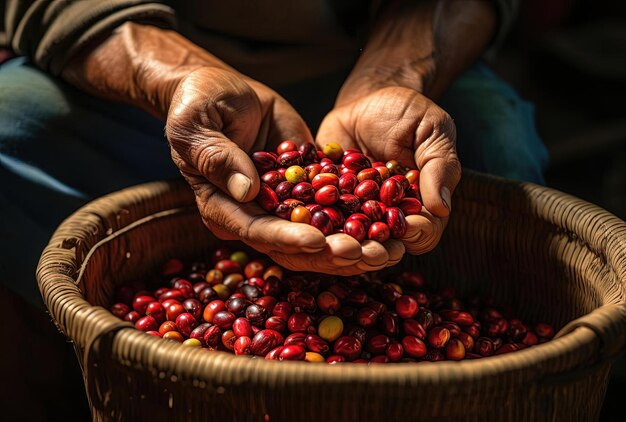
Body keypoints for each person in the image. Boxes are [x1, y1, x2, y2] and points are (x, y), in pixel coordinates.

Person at [0, 0, 548, 418]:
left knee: (500, 151)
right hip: (147, 64)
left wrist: (392, 77)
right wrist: (178, 80)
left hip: (383, 63)